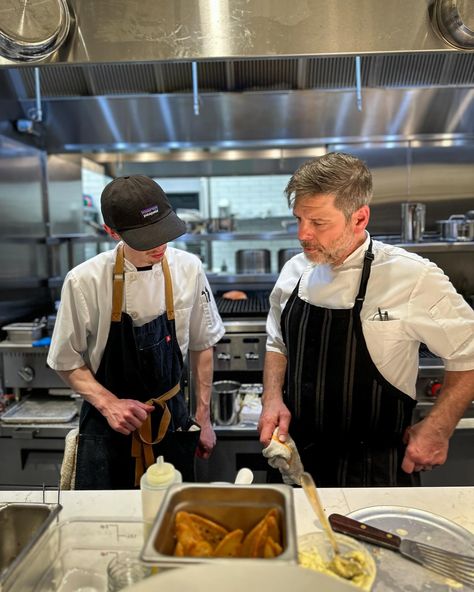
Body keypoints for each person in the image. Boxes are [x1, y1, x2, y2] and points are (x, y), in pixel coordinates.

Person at [259, 152, 474, 487]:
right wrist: (271, 398)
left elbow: (468, 352)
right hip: (297, 466)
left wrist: (438, 428)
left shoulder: (412, 276)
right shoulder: (295, 270)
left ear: (359, 219)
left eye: (318, 223)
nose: (303, 235)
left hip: (374, 473)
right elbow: (277, 342)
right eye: (299, 218)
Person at [48, 175, 225, 489]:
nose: (159, 245)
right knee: (104, 527)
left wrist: (204, 419)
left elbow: (202, 344)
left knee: (172, 524)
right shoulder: (84, 281)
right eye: (146, 238)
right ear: (111, 232)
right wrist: (108, 403)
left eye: (164, 232)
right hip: (108, 429)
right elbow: (65, 360)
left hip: (173, 421)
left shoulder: (189, 268)